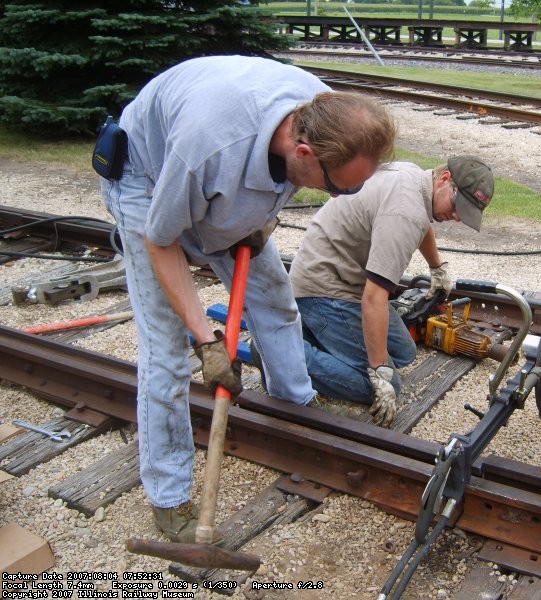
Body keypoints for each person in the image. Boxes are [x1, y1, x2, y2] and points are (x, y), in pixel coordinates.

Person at [98, 55, 396, 544]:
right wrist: (206, 341)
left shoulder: (323, 110)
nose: (345, 195)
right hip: (146, 179)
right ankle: (170, 499)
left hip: (226, 175)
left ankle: (295, 406)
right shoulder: (208, 148)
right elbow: (161, 240)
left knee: (277, 302)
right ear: (302, 152)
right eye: (338, 187)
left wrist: (260, 217)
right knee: (167, 353)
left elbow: (278, 181)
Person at [286, 156, 494, 428]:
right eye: (457, 206)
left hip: (342, 278)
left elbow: (423, 225)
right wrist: (379, 375)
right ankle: (284, 354)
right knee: (386, 385)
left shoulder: (416, 180)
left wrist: (437, 268)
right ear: (444, 180)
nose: (456, 217)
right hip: (324, 289)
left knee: (403, 351)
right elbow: (374, 298)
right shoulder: (405, 213)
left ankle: (317, 335)